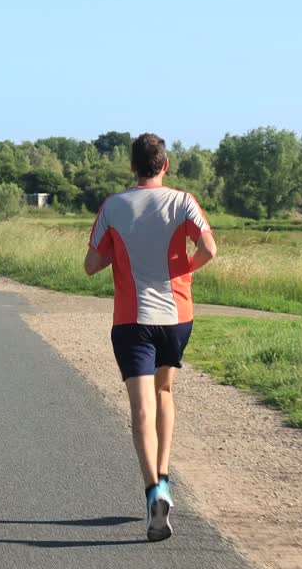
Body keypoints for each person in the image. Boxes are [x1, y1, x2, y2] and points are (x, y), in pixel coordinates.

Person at [84, 133, 218, 541]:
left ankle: (153, 490)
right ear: (166, 164)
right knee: (165, 394)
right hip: (177, 317)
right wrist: (184, 270)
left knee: (140, 408)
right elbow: (210, 248)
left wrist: (117, 252)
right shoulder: (183, 201)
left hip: (132, 319)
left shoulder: (114, 205)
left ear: (131, 166)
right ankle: (164, 475)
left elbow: (92, 264)